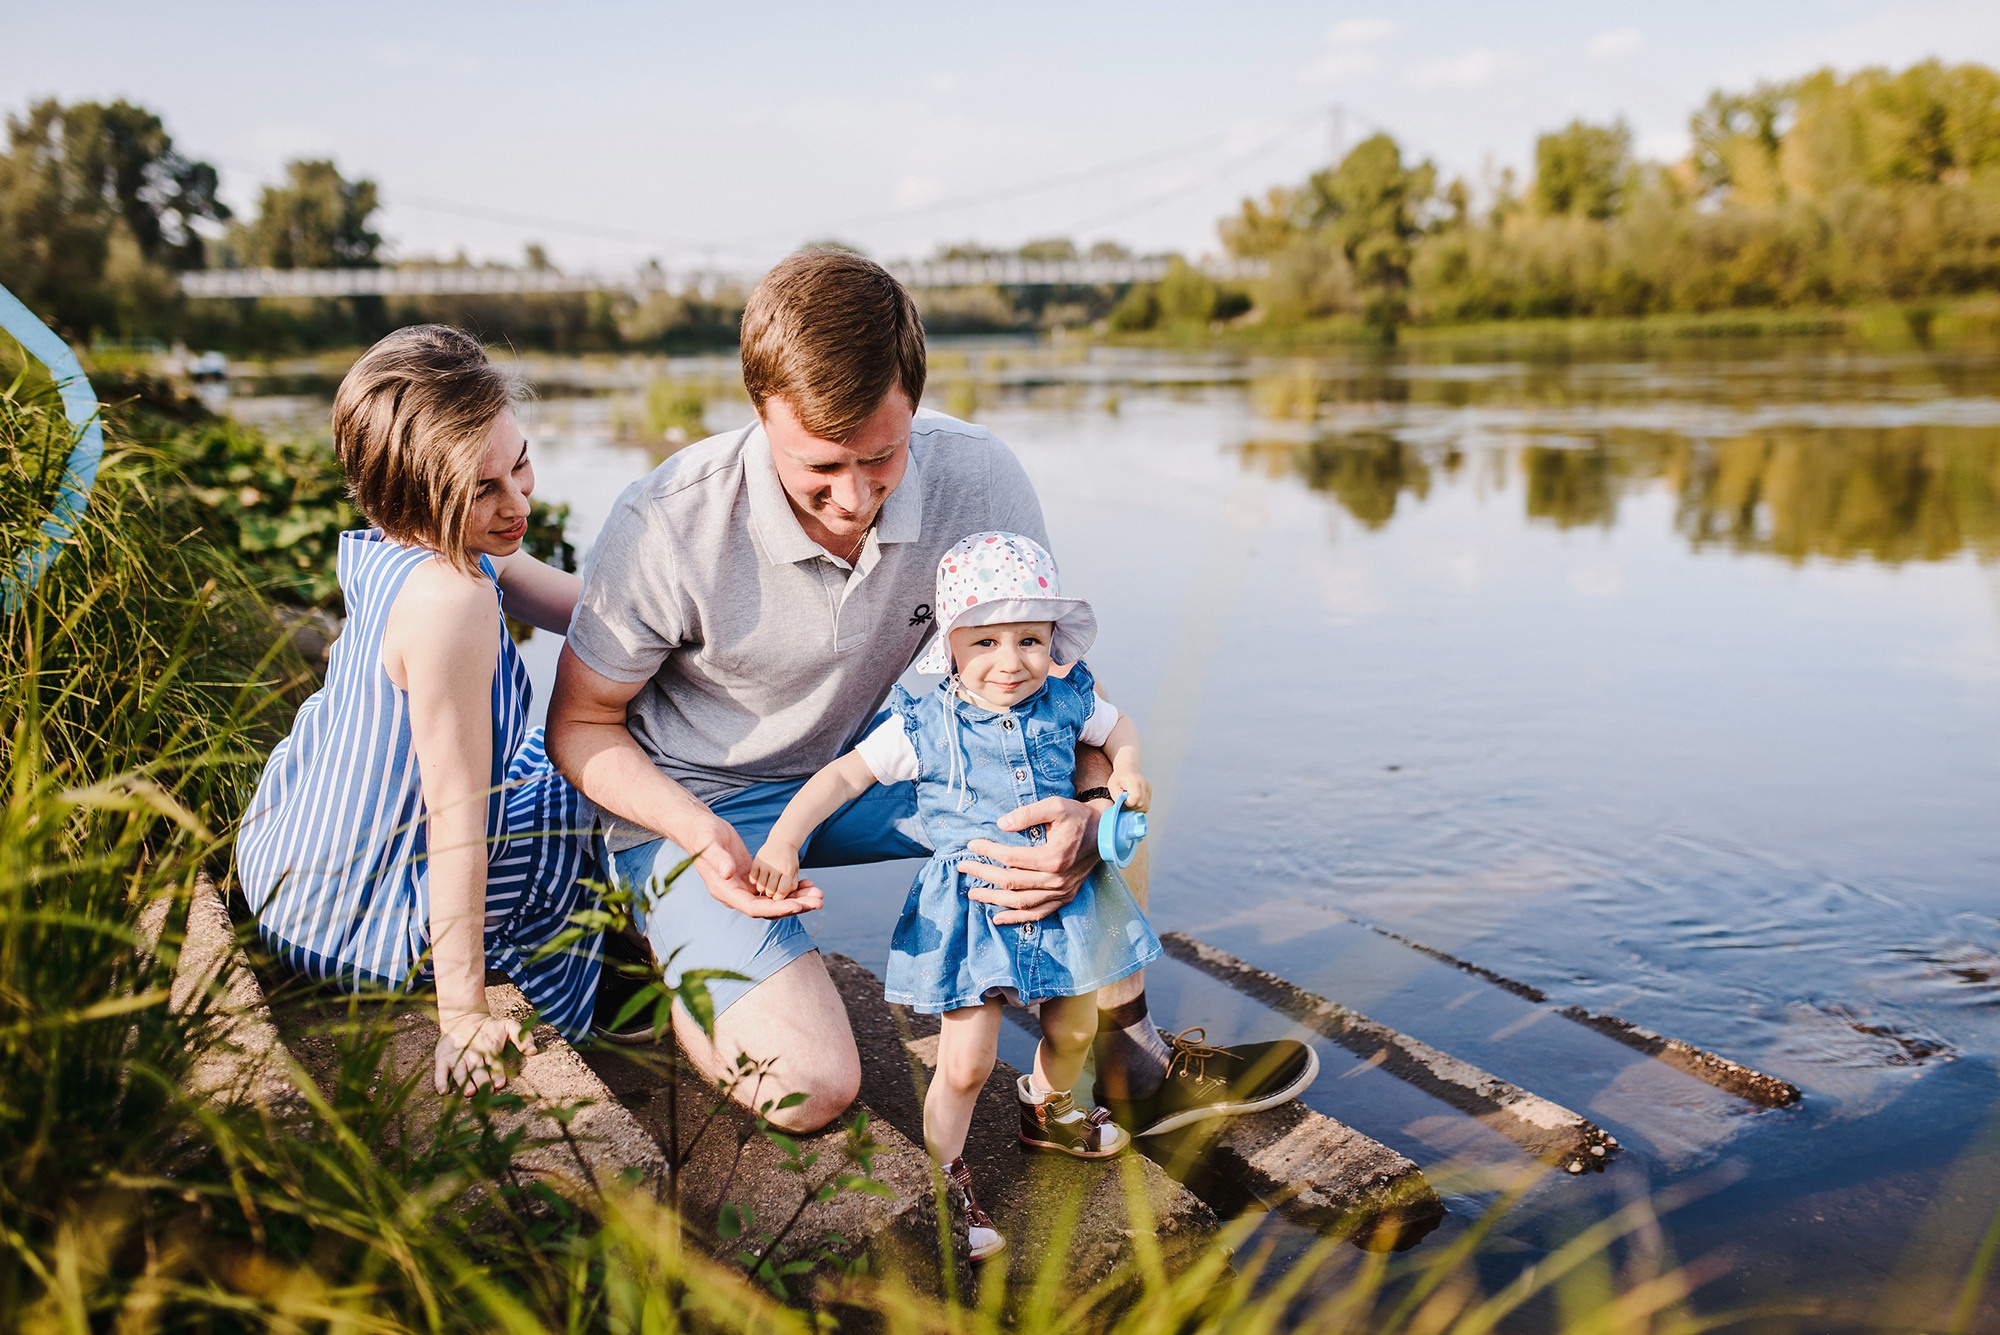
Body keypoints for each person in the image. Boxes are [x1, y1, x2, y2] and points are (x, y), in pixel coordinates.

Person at [547, 247, 1316, 1140]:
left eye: (881, 457)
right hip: (700, 803)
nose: (852, 498)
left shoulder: (977, 476)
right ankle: (660, 942)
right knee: (808, 1086)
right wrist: (695, 834)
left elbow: (1060, 686)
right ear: (760, 410)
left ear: (913, 401)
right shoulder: (666, 521)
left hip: (866, 763)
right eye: (819, 467)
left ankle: (1125, 1052)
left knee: (1097, 779)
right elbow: (582, 722)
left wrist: (1092, 811)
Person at [750, 531, 1163, 1262]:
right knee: (967, 1061)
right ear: (950, 646)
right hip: (973, 908)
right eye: (986, 641)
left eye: (1030, 640)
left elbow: (1116, 724)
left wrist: (1126, 768)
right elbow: (842, 777)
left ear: (1052, 641)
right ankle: (945, 1176)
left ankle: (1046, 1107)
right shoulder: (923, 724)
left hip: (1063, 900)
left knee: (1073, 1030)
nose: (1011, 661)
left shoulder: (1066, 697)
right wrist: (785, 839)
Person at [237, 325, 615, 1097]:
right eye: (484, 489)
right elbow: (456, 822)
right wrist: (464, 1013)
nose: (518, 502)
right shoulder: (451, 601)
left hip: (285, 866)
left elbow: (592, 613)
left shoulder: (412, 534)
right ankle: (608, 972)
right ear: (421, 490)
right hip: (354, 921)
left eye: (520, 465)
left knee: (558, 739)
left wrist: (696, 628)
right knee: (590, 769)